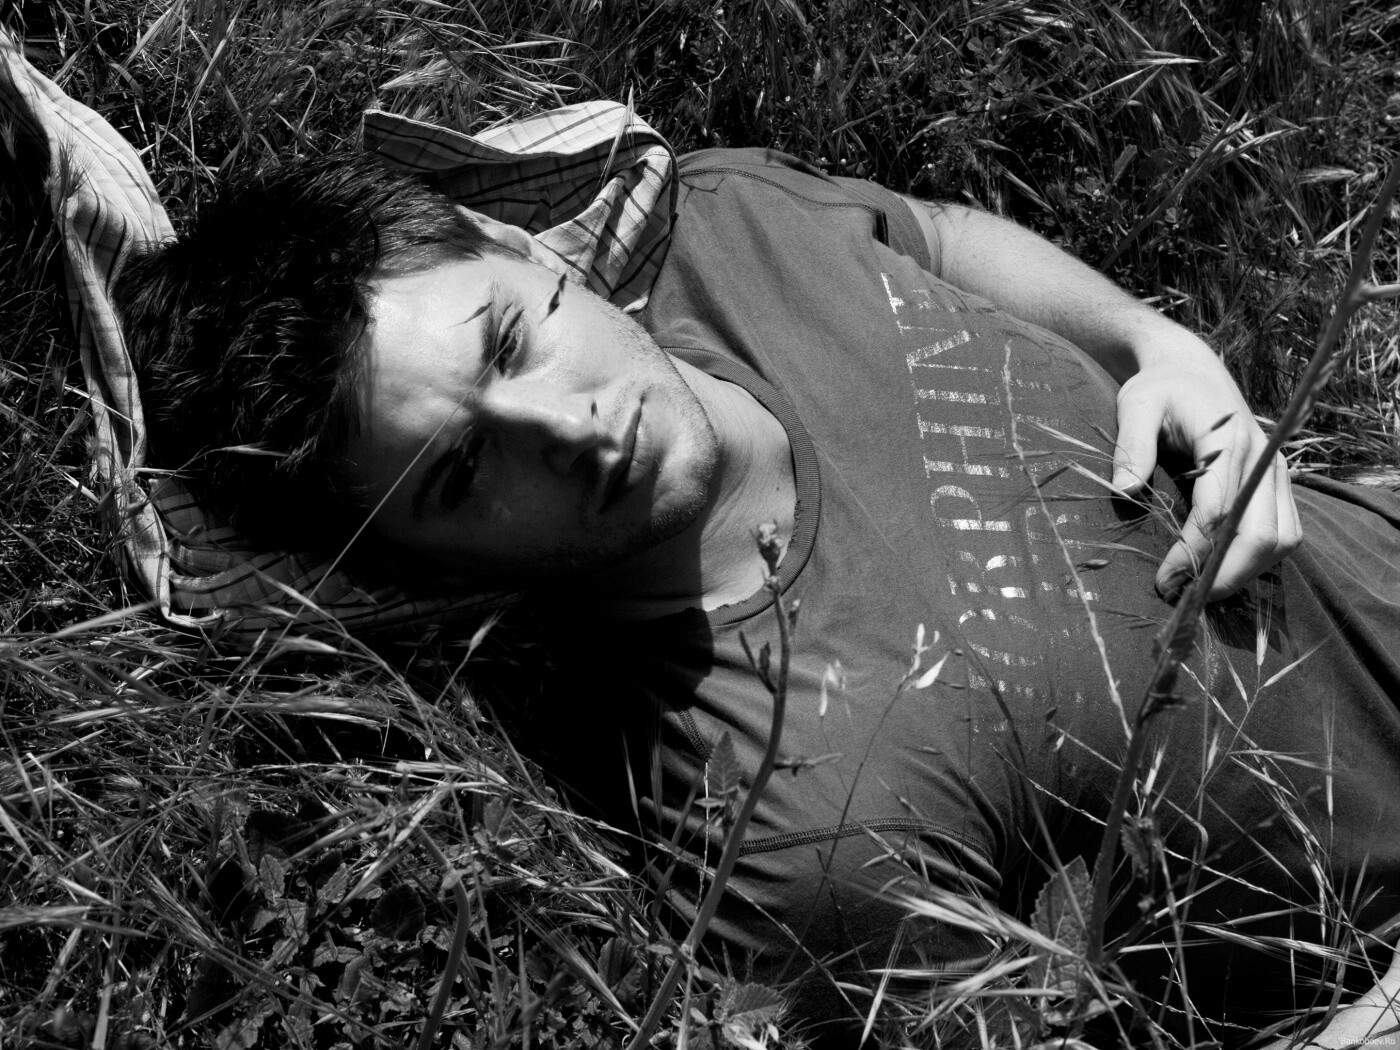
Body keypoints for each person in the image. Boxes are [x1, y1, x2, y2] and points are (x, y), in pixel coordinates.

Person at [115, 148, 1400, 1047]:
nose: (564, 429)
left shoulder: (733, 228)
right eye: (464, 473)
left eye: (509, 341)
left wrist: (1152, 344)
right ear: (426, 567)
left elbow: (935, 235)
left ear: (515, 246)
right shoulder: (784, 835)